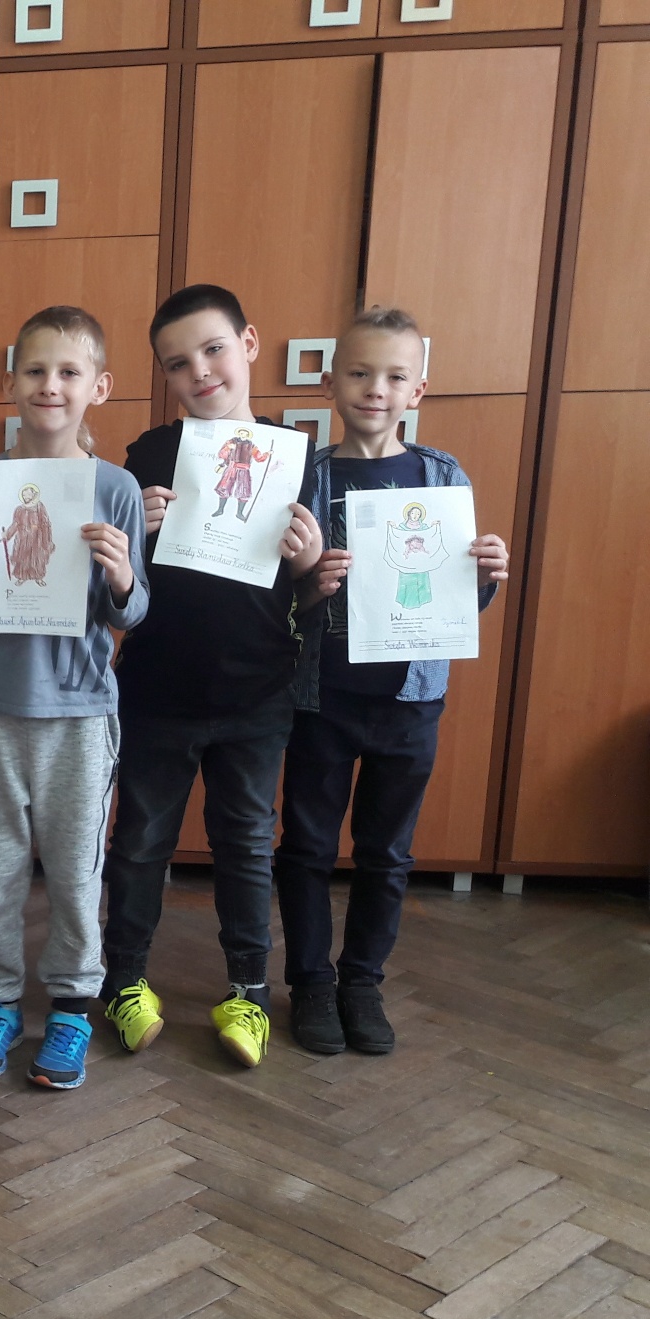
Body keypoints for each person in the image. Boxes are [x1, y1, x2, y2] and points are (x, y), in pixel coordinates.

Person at [102, 284, 325, 1069]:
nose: (199, 371)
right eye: (177, 363)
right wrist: (138, 527)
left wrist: (308, 565)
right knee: (140, 843)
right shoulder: (148, 455)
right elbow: (120, 585)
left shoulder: (295, 457)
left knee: (246, 846)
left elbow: (309, 596)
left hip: (257, 694)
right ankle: (124, 981)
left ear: (249, 344)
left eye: (213, 349)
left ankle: (248, 993)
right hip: (157, 689)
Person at [279, 307, 511, 1055]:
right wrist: (309, 585)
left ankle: (362, 982)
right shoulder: (306, 477)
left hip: (411, 703)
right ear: (330, 382)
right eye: (358, 372)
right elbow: (279, 599)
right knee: (307, 847)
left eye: (393, 376)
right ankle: (310, 984)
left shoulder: (441, 476)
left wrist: (486, 577)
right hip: (321, 697)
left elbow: (457, 601)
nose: (374, 389)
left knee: (386, 853)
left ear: (418, 391)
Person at [0, 308, 148, 1090]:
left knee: (76, 872)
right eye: (34, 370)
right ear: (10, 381)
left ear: (99, 387)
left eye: (68, 372)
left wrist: (120, 575)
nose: (50, 386)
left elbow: (134, 612)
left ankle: (71, 1005)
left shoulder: (115, 488)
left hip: (80, 716)